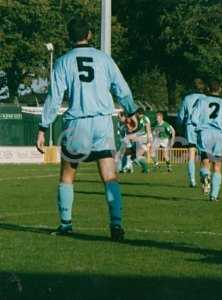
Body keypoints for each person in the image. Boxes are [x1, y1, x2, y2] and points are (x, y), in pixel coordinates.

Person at [36, 18, 137, 241]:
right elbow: (122, 88)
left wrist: (43, 127)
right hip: (102, 122)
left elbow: (54, 99)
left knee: (67, 175)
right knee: (110, 176)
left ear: (69, 37)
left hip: (77, 124)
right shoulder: (104, 59)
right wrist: (131, 112)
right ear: (89, 34)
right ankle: (116, 225)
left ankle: (65, 224)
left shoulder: (63, 62)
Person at [193, 81, 222, 201]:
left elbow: (194, 118)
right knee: (217, 166)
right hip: (219, 135)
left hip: (205, 133)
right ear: (220, 89)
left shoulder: (202, 101)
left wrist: (197, 129)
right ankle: (214, 196)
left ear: (208, 88)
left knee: (205, 161)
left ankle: (206, 176)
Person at [177, 79, 207, 187]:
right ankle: (204, 174)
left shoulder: (187, 98)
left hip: (190, 126)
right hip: (203, 127)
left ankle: (192, 180)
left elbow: (180, 116)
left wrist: (180, 125)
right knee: (204, 153)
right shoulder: (206, 99)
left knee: (191, 154)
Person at [125, 107, 152, 173]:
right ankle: (132, 165)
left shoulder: (145, 118)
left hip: (144, 136)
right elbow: (139, 129)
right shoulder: (139, 118)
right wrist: (132, 130)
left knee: (137, 156)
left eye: (136, 113)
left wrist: (148, 140)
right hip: (140, 135)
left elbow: (148, 130)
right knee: (127, 139)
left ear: (138, 113)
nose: (135, 114)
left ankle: (144, 168)